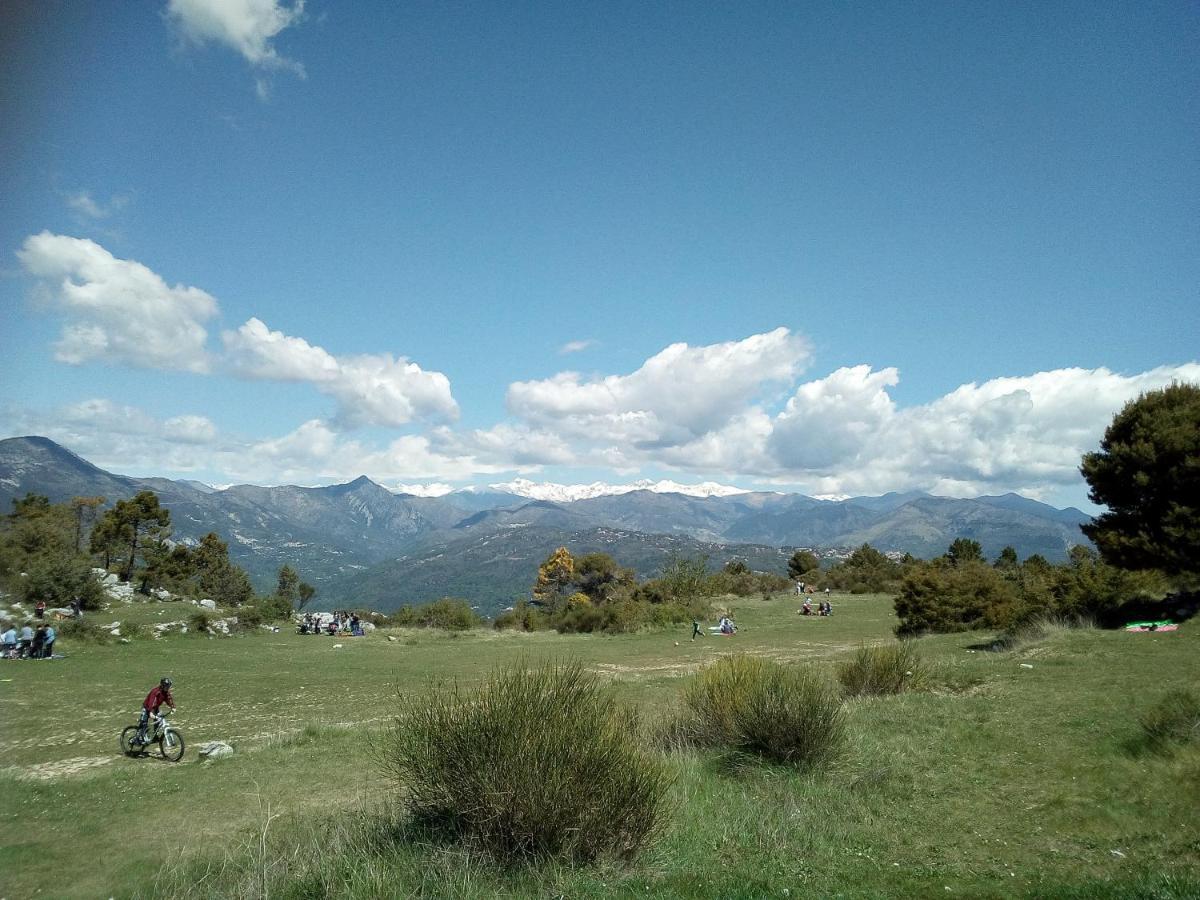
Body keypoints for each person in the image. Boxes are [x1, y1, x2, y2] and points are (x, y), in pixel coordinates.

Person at [135, 677, 176, 745]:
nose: (168, 688)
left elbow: (169, 699)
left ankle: (155, 737)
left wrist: (173, 706)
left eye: (169, 686)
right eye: (167, 686)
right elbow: (152, 702)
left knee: (157, 722)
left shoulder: (165, 692)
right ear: (162, 685)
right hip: (147, 708)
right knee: (144, 724)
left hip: (155, 708)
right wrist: (151, 712)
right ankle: (137, 738)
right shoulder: (156, 692)